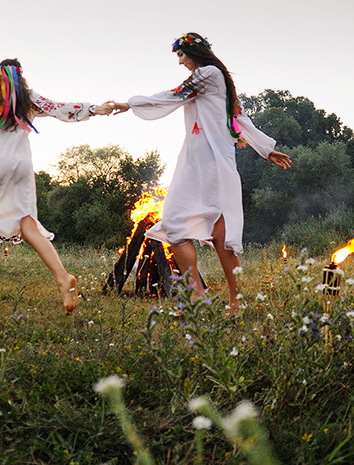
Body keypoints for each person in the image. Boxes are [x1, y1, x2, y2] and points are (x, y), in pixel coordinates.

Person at [103, 33, 291, 314]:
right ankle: (198, 298)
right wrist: (265, 149)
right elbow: (236, 116)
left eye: (182, 55)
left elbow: (181, 98)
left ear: (196, 52)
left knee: (219, 235)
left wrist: (129, 104)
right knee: (175, 227)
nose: (180, 62)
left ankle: (234, 302)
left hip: (212, 160)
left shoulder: (208, 73)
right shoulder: (213, 78)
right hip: (194, 160)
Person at [0, 59, 113, 314]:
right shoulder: (29, 99)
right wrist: (95, 109)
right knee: (27, 224)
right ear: (21, 78)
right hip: (22, 166)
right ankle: (63, 277)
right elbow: (59, 108)